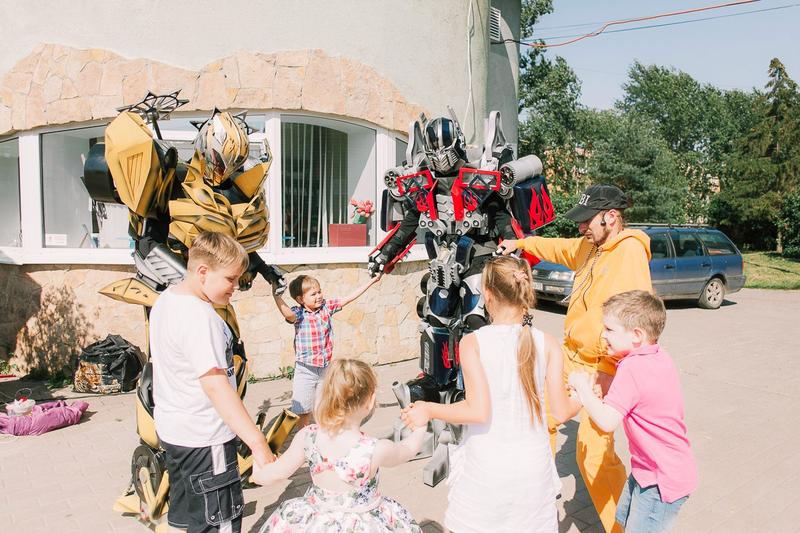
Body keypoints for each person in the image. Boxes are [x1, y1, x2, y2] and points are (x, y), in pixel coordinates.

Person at [498, 183, 652, 533]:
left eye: (588, 220)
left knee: (593, 455)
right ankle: (535, 505)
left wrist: (610, 370)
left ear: (611, 216)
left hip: (602, 366)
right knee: (540, 422)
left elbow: (638, 319)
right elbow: (560, 247)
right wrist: (521, 244)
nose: (581, 227)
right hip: (571, 359)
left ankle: (624, 527)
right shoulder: (589, 246)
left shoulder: (629, 252)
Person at [401, 255, 580, 532]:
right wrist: (583, 395)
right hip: (533, 469)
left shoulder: (473, 342)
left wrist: (428, 408)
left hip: (488, 468)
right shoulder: (548, 343)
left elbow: (477, 410)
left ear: (486, 294)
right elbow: (561, 411)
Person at [149, 231, 274, 533]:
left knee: (186, 519)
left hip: (176, 433)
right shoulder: (199, 318)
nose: (236, 286)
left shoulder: (167, 300)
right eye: (230, 279)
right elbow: (216, 386)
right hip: (206, 439)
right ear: (203, 272)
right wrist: (258, 443)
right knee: (217, 525)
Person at [569, 290, 697, 532]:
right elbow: (637, 398)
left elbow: (607, 421)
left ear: (637, 335)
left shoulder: (632, 367)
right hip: (653, 471)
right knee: (625, 521)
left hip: (659, 481)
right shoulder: (657, 356)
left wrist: (582, 388)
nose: (603, 335)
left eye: (609, 329)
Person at [251, 358, 426, 532]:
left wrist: (257, 473)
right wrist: (421, 425)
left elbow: (276, 473)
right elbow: (408, 449)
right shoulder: (375, 449)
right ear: (371, 400)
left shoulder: (308, 436)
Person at [272, 273, 381, 428]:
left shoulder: (326, 308)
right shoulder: (299, 313)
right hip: (305, 371)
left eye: (319, 292)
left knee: (323, 408)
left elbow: (348, 298)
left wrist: (371, 281)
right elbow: (288, 314)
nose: (319, 296)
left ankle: (325, 436)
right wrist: (276, 296)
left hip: (325, 370)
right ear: (300, 299)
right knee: (303, 411)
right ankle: (304, 438)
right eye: (313, 294)